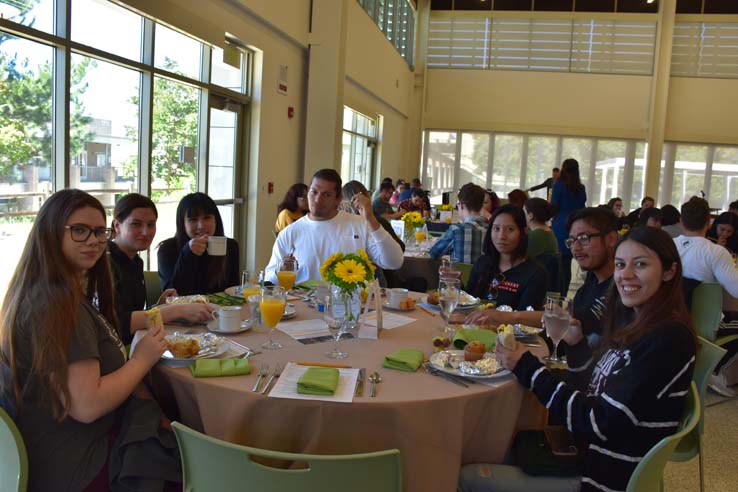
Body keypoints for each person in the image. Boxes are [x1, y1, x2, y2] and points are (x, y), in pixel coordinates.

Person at [460, 227, 696, 492]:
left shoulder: (667, 339)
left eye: (640, 264)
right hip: (583, 452)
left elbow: (597, 421)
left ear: (669, 271)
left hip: (601, 476)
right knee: (484, 447)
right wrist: (577, 345)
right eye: (620, 264)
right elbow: (594, 392)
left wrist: (527, 367)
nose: (625, 275)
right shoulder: (636, 322)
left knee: (466, 477)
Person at [0, 189, 174, 491]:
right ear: (51, 233)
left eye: (98, 231)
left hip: (41, 451)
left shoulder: (40, 291)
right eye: (79, 230)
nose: (93, 240)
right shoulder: (57, 305)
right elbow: (88, 405)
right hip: (75, 465)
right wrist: (142, 359)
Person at [466, 207, 619, 348]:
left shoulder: (620, 288)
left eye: (584, 238)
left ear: (611, 239)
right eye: (572, 241)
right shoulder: (591, 283)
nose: (575, 248)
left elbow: (570, 320)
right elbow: (567, 323)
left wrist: (506, 316)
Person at [264, 168, 404, 284]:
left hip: (350, 306)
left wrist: (371, 220)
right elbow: (268, 279)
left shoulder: (359, 225)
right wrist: (279, 271)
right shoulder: (290, 233)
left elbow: (394, 261)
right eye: (314, 192)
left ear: (338, 199)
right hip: (303, 309)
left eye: (327, 194)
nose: (318, 199)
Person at [109, 193, 214, 344]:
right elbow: (115, 323)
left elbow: (130, 311)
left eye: (151, 224)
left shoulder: (134, 260)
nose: (146, 232)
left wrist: (158, 306)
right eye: (136, 224)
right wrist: (177, 310)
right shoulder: (106, 262)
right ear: (117, 226)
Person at [465, 205, 546, 310]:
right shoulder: (482, 263)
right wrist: (455, 284)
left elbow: (527, 319)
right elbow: (467, 302)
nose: (501, 236)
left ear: (524, 232)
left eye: (510, 229)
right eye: (496, 228)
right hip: (470, 325)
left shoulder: (535, 274)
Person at [158, 192, 240, 295]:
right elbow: (171, 296)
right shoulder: (167, 249)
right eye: (193, 220)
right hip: (182, 310)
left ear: (216, 220)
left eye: (207, 218)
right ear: (183, 224)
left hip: (220, 310)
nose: (201, 226)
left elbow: (233, 290)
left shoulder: (231, 246)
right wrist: (187, 253)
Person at [674, 197, 738, 299]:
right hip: (706, 313)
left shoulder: (666, 246)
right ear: (708, 222)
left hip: (668, 311)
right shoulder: (717, 252)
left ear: (681, 221)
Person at [552, 158, 587, 297]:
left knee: (558, 263)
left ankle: (555, 294)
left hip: (560, 224)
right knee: (567, 263)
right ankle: (564, 294)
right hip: (574, 226)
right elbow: (582, 206)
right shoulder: (581, 188)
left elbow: (554, 204)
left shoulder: (559, 185)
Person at [429, 183, 487, 264]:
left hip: (459, 276)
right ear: (481, 206)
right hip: (483, 276)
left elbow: (433, 253)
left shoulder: (456, 230)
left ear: (462, 205)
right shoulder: (491, 230)